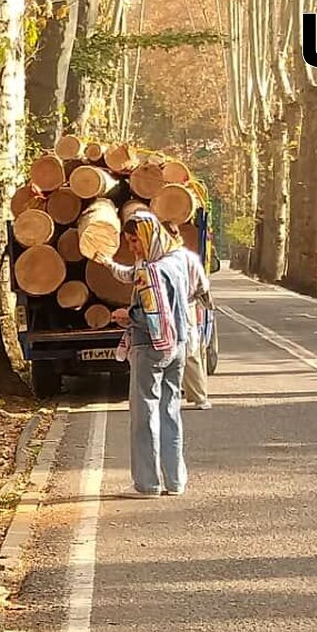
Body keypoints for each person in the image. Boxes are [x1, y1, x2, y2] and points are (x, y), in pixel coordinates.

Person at [95, 213, 190, 497]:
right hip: (178, 345)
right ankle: (175, 480)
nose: (133, 247)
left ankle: (147, 483)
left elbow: (149, 310)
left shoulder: (151, 271)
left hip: (150, 346)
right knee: (170, 412)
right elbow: (133, 275)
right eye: (129, 241)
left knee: (144, 414)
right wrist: (109, 264)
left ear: (149, 236)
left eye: (135, 240)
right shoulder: (177, 261)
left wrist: (127, 315)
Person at [165, 223, 213, 411]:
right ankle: (199, 396)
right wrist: (207, 304)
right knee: (190, 351)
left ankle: (175, 394)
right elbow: (203, 287)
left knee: (173, 350)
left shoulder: (160, 259)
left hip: (170, 308)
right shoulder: (189, 258)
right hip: (187, 307)